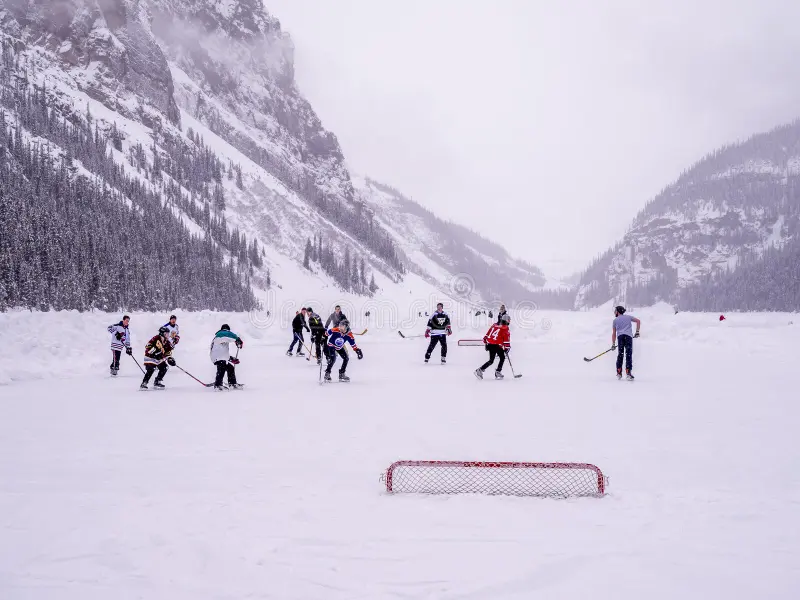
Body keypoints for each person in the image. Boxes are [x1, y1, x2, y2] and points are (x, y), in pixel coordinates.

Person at [475, 313, 511, 379]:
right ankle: (498, 372)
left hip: (490, 344)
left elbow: (488, 334)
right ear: (507, 321)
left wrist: (485, 341)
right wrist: (507, 348)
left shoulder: (494, 325)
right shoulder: (505, 328)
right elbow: (506, 340)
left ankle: (479, 370)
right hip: (497, 345)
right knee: (502, 358)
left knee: (491, 360)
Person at [210, 324, 244, 390]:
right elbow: (227, 334)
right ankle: (218, 385)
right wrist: (237, 339)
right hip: (218, 357)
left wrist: (230, 358)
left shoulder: (222, 339)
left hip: (219, 357)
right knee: (222, 367)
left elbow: (222, 352)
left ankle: (232, 383)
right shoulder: (220, 335)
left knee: (230, 367)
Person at [612, 305, 641, 380]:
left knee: (620, 354)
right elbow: (638, 321)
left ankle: (619, 372)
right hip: (628, 337)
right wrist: (637, 332)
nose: (614, 312)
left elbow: (614, 333)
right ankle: (628, 373)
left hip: (620, 337)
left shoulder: (615, 320)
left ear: (618, 311)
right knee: (628, 354)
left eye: (615, 311)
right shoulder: (628, 317)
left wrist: (613, 344)